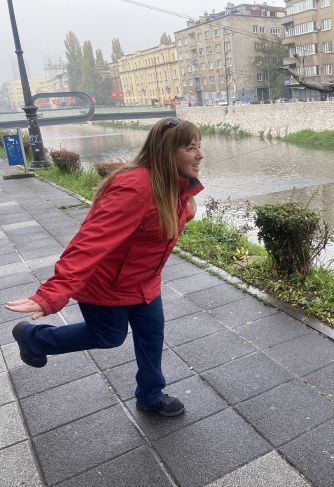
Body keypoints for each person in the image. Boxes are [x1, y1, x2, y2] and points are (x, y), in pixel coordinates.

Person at [4, 117, 204, 417]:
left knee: (152, 334)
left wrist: (185, 211)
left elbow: (153, 230)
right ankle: (32, 337)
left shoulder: (175, 186)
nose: (200, 155)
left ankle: (150, 395)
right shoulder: (133, 189)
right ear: (167, 151)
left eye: (199, 147)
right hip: (105, 284)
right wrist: (53, 293)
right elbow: (90, 242)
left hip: (144, 282)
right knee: (109, 337)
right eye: (191, 148)